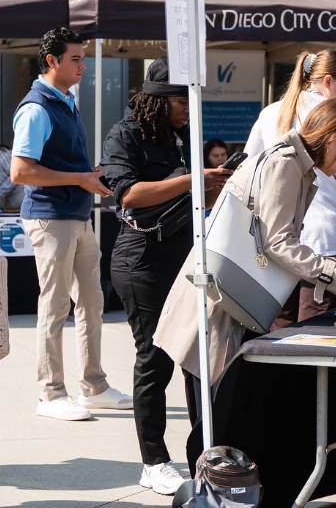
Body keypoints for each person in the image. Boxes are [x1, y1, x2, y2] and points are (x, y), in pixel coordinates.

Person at [156, 95, 336, 386]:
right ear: (332, 140)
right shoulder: (286, 164)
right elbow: (278, 243)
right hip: (223, 301)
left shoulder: (292, 162)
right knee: (213, 417)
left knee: (218, 412)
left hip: (229, 296)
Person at [102, 58, 231, 496]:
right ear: (157, 101)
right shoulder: (124, 136)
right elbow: (129, 195)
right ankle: (153, 460)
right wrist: (192, 179)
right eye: (180, 101)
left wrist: (212, 184)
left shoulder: (179, 138)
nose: (186, 109)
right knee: (154, 359)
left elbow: (187, 191)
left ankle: (206, 448)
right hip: (140, 260)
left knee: (197, 355)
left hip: (183, 254)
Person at [9, 27, 130, 422]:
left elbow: (55, 164)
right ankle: (49, 392)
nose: (83, 65)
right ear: (52, 62)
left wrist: (87, 174)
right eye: (76, 59)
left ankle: (93, 386)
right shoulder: (37, 107)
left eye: (83, 58)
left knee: (93, 302)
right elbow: (20, 172)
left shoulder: (65, 101)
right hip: (50, 218)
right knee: (55, 305)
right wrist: (79, 178)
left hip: (76, 215)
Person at [243, 50, 336, 315]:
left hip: (276, 237)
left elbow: (248, 166)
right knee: (316, 331)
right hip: (325, 237)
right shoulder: (335, 116)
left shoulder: (270, 112)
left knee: (280, 322)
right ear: (328, 81)